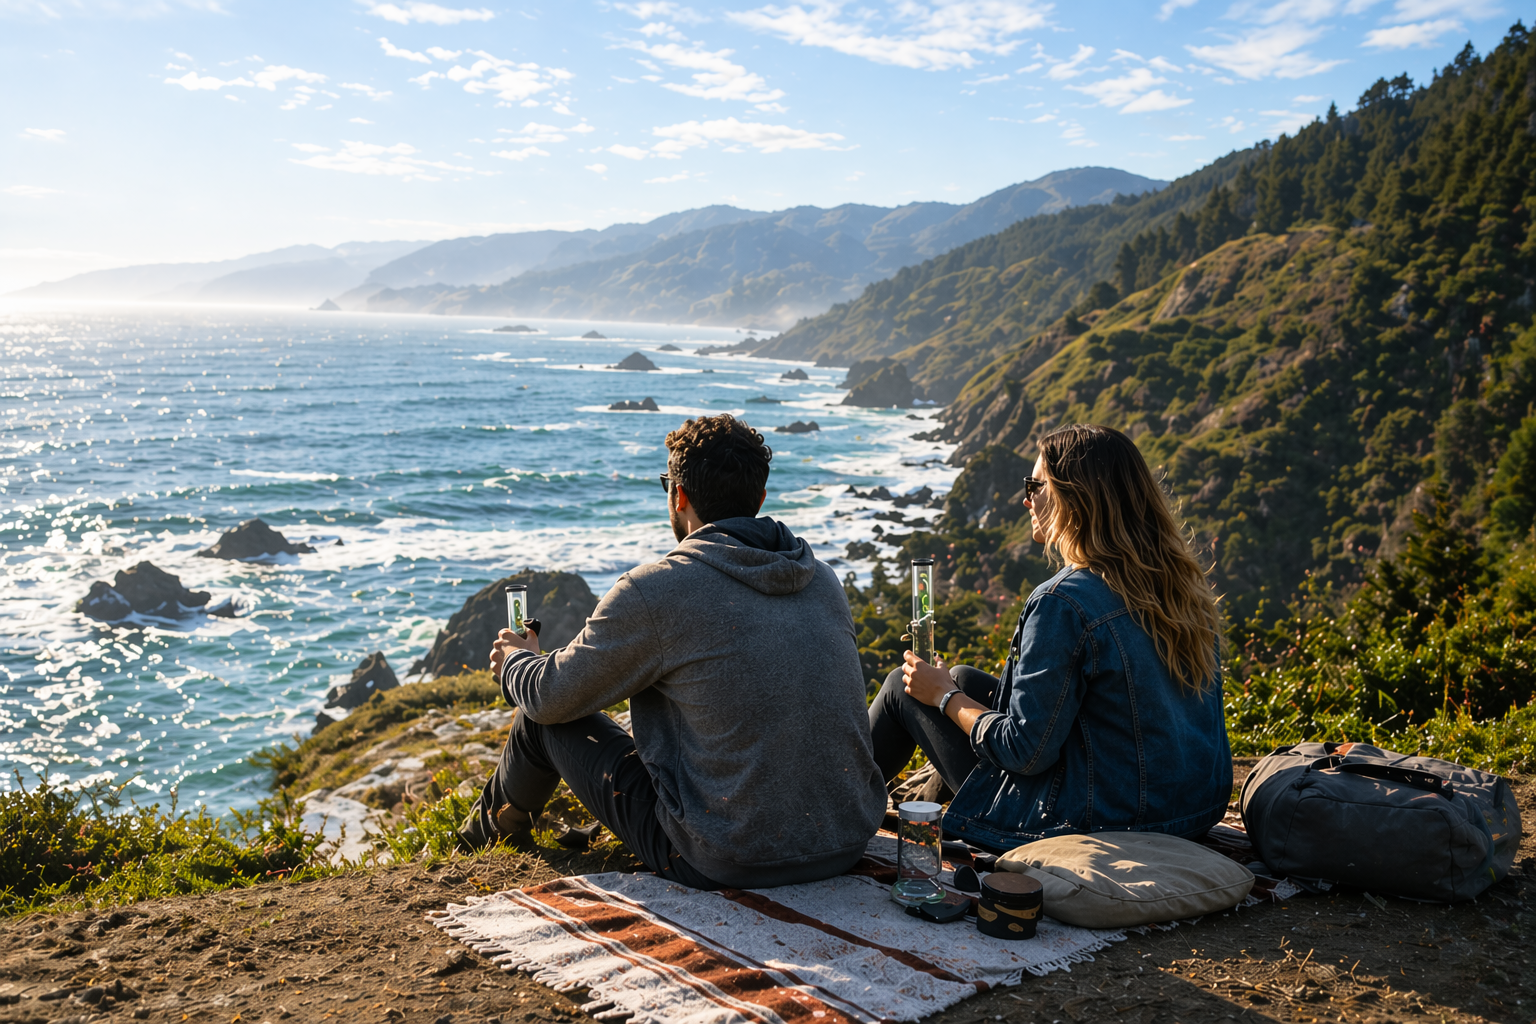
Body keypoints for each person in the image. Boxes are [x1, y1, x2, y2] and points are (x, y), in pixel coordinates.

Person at [459, 413, 888, 889]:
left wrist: (518, 664)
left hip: (726, 856)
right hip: (845, 842)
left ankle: (475, 847)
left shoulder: (657, 590)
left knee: (537, 720)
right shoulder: (822, 579)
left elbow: (551, 698)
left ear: (679, 495)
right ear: (759, 499)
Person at [869, 423, 1231, 852]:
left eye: (1035, 485)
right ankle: (924, 805)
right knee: (964, 676)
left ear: (1072, 497)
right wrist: (955, 689)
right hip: (1188, 812)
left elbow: (1025, 751)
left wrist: (944, 698)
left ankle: (825, 807)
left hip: (1095, 820)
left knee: (903, 688)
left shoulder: (1063, 602)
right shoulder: (1176, 586)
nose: (1025, 499)